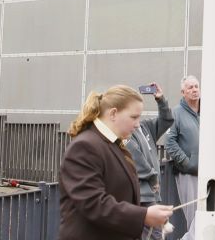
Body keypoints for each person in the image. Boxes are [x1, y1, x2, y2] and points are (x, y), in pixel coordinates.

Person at [58, 86, 173, 240]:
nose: (138, 124)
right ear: (113, 113)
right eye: (134, 117)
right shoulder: (85, 146)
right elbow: (93, 203)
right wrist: (143, 215)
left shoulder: (111, 144)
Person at [126, 83, 174, 240]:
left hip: (153, 194)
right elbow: (135, 157)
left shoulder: (145, 126)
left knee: (155, 234)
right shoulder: (126, 131)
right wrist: (153, 176)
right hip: (142, 195)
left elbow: (167, 120)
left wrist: (161, 99)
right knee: (154, 235)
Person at [164, 75, 202, 239]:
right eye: (190, 88)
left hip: (210, 172)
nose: (194, 90)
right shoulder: (176, 113)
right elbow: (169, 142)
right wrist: (187, 163)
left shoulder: (208, 112)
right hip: (188, 174)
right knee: (194, 216)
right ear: (183, 92)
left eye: (196, 86)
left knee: (210, 212)